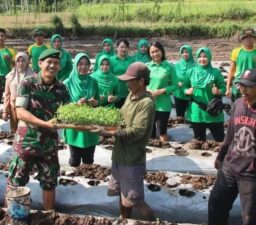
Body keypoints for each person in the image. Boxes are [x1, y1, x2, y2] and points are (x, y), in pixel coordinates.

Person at [208, 69, 256, 225]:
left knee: (250, 218)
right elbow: (230, 135)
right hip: (229, 167)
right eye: (241, 85)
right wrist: (221, 156)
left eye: (248, 86)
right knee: (216, 205)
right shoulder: (237, 105)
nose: (243, 89)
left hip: (252, 173)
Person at [91, 62, 156, 220]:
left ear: (141, 81)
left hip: (131, 159)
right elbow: (120, 117)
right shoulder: (131, 95)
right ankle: (124, 219)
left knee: (136, 200)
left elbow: (137, 132)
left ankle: (154, 221)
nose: (126, 83)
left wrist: (109, 132)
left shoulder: (145, 103)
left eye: (129, 80)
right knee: (122, 194)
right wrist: (102, 122)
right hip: (119, 156)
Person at [7, 49, 70, 210]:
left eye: (56, 63)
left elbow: (68, 112)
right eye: (49, 62)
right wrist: (44, 124)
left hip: (49, 143)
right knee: (17, 180)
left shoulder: (61, 88)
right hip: (27, 141)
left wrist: (81, 108)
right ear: (40, 63)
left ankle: (48, 216)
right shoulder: (28, 83)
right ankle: (15, 216)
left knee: (49, 182)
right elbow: (20, 111)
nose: (53, 65)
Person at [63, 53, 100, 167]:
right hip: (75, 126)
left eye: (86, 64)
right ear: (75, 65)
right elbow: (62, 106)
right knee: (74, 159)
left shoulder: (93, 81)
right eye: (80, 64)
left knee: (89, 159)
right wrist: (76, 104)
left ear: (90, 66)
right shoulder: (67, 83)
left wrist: (95, 102)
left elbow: (98, 100)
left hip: (90, 124)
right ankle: (74, 181)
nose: (83, 67)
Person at [184, 47, 225, 142]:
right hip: (197, 112)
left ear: (210, 57)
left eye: (205, 56)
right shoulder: (191, 72)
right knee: (199, 141)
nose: (202, 59)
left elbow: (223, 87)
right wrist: (186, 91)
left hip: (214, 111)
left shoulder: (215, 72)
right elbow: (183, 86)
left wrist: (219, 91)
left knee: (220, 140)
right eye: (200, 57)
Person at [146, 41, 177, 143]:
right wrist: (147, 90)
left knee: (162, 131)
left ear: (162, 51)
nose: (155, 54)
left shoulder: (169, 67)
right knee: (149, 131)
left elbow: (175, 85)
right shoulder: (147, 67)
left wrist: (162, 90)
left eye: (157, 51)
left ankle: (165, 151)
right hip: (148, 103)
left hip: (163, 105)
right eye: (152, 52)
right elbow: (140, 83)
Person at [225, 28, 256, 101]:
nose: (248, 39)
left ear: (254, 39)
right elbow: (231, 70)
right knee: (237, 104)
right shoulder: (236, 51)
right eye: (246, 37)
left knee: (252, 105)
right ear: (242, 39)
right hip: (239, 82)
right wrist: (227, 88)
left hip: (253, 82)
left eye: (251, 37)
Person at [2, 52, 35, 133]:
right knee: (15, 131)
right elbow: (7, 95)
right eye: (18, 61)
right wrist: (5, 111)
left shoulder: (33, 77)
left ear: (27, 62)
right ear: (15, 62)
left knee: (25, 132)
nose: (20, 63)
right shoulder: (10, 76)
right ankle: (16, 145)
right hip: (13, 108)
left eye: (23, 61)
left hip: (28, 109)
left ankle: (23, 145)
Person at [110, 38, 135, 108]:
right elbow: (109, 75)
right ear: (117, 48)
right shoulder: (111, 60)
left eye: (126, 47)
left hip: (129, 92)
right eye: (121, 47)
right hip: (116, 93)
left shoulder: (131, 60)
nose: (123, 49)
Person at [173, 44, 195, 119]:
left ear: (190, 53)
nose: (184, 54)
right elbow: (172, 78)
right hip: (178, 93)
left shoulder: (195, 66)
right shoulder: (177, 66)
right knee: (179, 117)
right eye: (183, 52)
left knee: (191, 117)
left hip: (191, 93)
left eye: (187, 52)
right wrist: (176, 83)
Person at [0, 28, 16, 102]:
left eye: (2, 35)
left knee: (10, 99)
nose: (0, 38)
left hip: (8, 77)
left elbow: (16, 65)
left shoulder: (11, 51)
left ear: (5, 37)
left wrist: (10, 60)